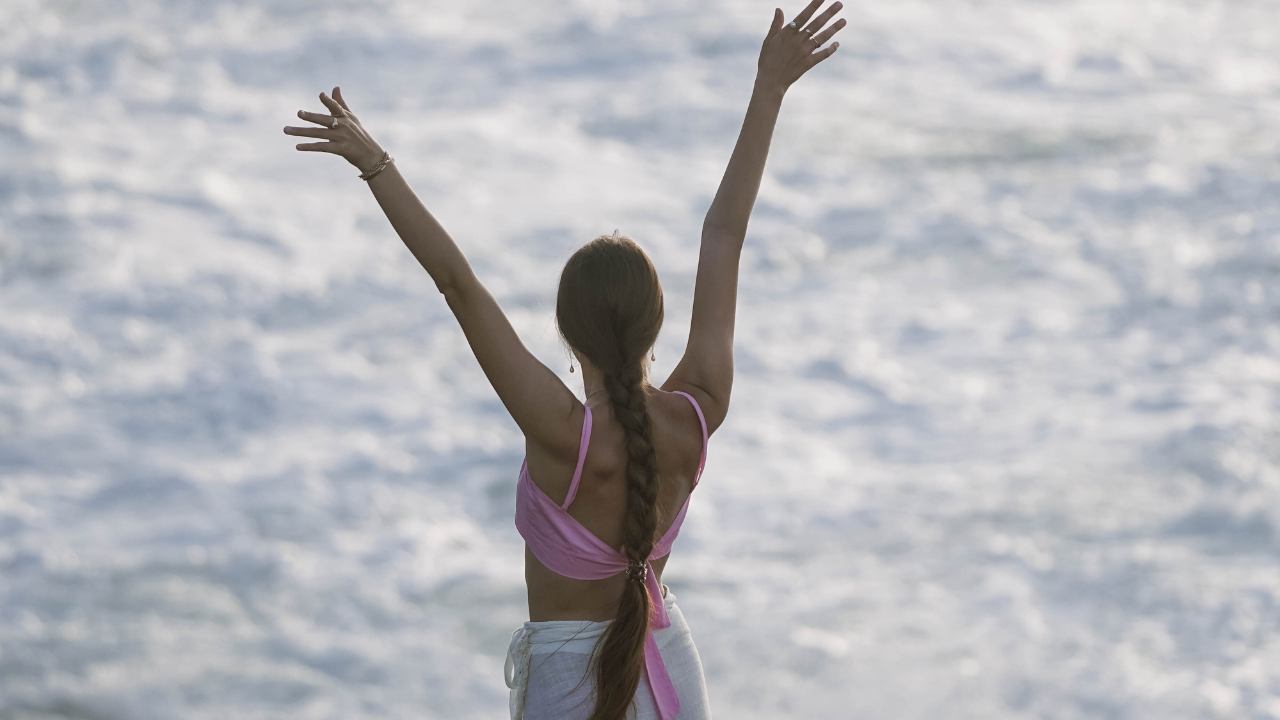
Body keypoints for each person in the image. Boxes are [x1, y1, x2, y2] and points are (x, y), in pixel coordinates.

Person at [283, 2, 844, 717]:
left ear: (567, 334)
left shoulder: (561, 434)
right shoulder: (697, 411)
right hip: (670, 670)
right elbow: (723, 235)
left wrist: (376, 164)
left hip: (568, 688)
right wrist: (769, 90)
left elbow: (458, 285)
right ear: (656, 324)